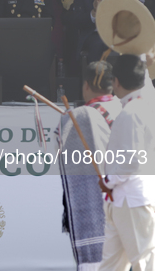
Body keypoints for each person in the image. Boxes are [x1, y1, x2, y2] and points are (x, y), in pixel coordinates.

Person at [98, 55, 155, 271]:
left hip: (130, 198)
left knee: (143, 261)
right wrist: (142, 58)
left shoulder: (131, 113)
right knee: (112, 264)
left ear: (116, 81)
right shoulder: (152, 104)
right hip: (125, 199)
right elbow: (147, 86)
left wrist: (109, 180)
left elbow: (130, 161)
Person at [56, 61, 120, 271]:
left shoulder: (83, 116)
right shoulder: (128, 109)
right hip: (131, 198)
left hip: (102, 201)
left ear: (85, 85)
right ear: (114, 83)